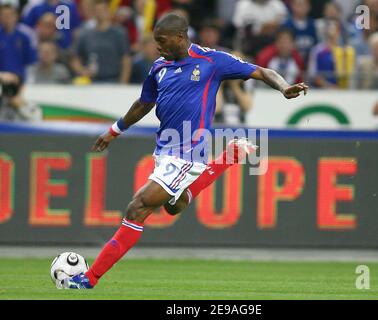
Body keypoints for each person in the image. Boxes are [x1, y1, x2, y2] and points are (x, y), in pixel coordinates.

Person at [59, 13, 308, 289]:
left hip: (189, 151)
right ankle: (230, 156)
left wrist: (284, 87)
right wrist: (115, 130)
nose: (158, 47)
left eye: (162, 41)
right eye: (156, 42)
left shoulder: (212, 60)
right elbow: (144, 103)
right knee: (173, 205)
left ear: (180, 37)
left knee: (137, 207)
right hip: (165, 151)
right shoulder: (159, 67)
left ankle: (89, 278)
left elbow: (262, 71)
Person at [70, 0, 131, 83]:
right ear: (93, 12)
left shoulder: (119, 33)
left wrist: (123, 83)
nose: (100, 13)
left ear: (108, 11)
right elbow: (75, 58)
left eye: (102, 10)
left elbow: (126, 59)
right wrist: (82, 71)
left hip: (113, 80)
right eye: (97, 10)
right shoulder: (85, 34)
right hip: (91, 81)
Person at [0, 3, 38, 81]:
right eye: (4, 15)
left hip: (21, 79)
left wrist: (28, 81)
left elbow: (32, 61)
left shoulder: (27, 34)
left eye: (9, 15)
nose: (7, 18)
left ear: (16, 16)